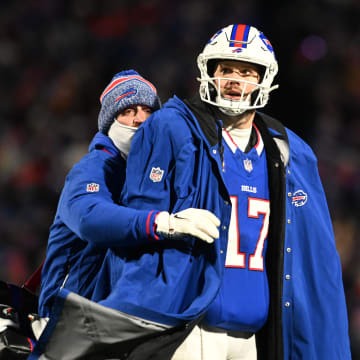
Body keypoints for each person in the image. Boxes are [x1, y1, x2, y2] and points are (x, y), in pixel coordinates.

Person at [114, 24, 350, 359]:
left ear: (264, 79)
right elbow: (131, 224)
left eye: (247, 72)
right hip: (190, 328)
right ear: (209, 73)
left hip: (250, 335)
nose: (235, 80)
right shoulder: (174, 128)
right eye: (226, 69)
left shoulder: (283, 150)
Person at [38, 69, 220, 319]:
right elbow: (88, 219)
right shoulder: (94, 168)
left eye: (148, 111)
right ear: (109, 120)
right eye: (128, 111)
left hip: (117, 309)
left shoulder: (153, 172)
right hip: (70, 314)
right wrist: (163, 222)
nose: (140, 119)